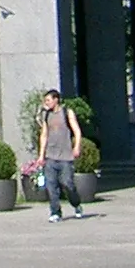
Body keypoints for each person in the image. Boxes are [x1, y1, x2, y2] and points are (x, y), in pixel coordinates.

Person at [38, 89, 84, 222]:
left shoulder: (66, 113)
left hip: (65, 157)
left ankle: (76, 204)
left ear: (56, 99)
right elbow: (44, 135)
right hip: (51, 156)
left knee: (67, 183)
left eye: (48, 100)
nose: (46, 103)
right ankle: (55, 212)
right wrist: (41, 155)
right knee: (51, 186)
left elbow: (77, 131)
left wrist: (76, 147)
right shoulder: (47, 115)